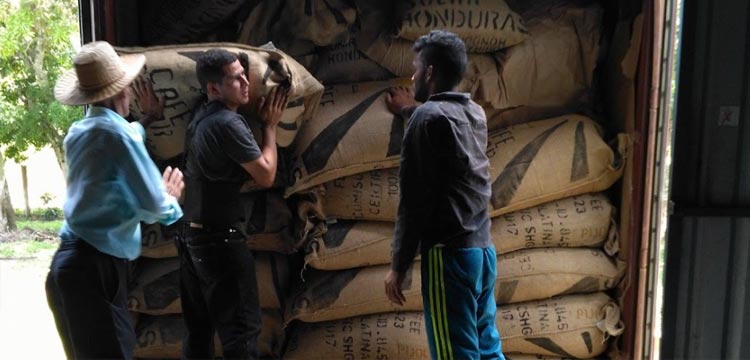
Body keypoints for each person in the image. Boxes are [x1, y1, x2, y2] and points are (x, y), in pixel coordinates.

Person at [46, 41, 185, 359]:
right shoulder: (116, 136)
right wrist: (171, 199)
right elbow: (155, 206)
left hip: (66, 266)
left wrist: (147, 120)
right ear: (119, 90)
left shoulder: (79, 132)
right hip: (95, 270)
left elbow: (122, 137)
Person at [383, 30, 505, 360]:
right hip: (482, 252)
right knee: (488, 349)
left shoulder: (426, 119)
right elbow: (444, 131)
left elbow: (413, 202)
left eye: (416, 68)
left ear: (430, 72)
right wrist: (411, 108)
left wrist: (399, 265)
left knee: (455, 355)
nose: (412, 75)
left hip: (448, 256)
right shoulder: (474, 114)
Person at [178, 48, 288, 359]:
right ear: (213, 89)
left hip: (191, 237)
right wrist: (269, 127)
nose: (245, 83)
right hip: (220, 242)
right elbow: (266, 175)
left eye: (244, 75)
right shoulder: (227, 123)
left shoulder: (200, 115)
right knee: (242, 334)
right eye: (235, 79)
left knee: (198, 333)